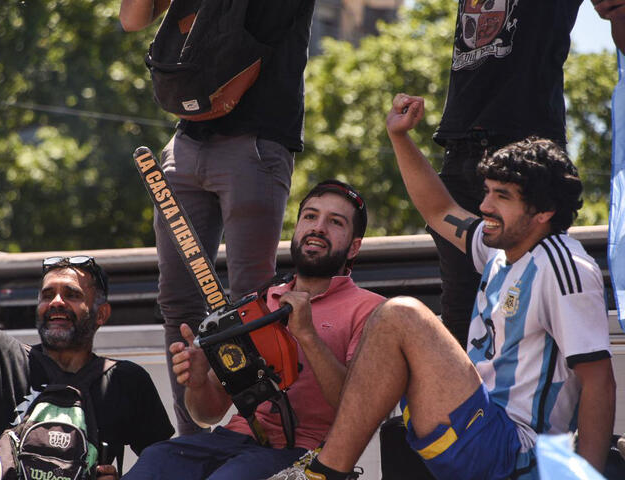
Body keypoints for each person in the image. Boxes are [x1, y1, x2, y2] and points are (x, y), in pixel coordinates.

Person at [272, 95, 616, 480]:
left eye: (501, 196)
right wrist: (399, 137)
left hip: (516, 450)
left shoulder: (565, 265)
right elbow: (438, 210)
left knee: (402, 314)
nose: (484, 206)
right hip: (477, 429)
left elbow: (599, 381)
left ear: (543, 212)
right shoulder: (500, 249)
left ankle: (324, 472)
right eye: (487, 191)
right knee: (394, 322)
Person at [119, 0, 316, 435]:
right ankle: (192, 438)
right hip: (189, 138)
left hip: (257, 139)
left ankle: (263, 430)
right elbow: (132, 19)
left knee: (252, 302)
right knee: (177, 301)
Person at [0, 167, 175, 480]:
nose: (56, 302)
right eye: (48, 295)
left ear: (101, 315)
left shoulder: (127, 382)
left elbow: (169, 465)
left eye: (71, 294)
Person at [120, 180, 385, 480]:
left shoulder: (372, 310)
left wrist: (308, 335)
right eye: (310, 216)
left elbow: (360, 412)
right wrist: (197, 384)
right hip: (230, 441)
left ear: (354, 247)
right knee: (157, 458)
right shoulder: (259, 301)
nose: (318, 227)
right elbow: (207, 413)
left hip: (303, 452)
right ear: (297, 229)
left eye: (335, 222)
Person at [429, 0, 625, 348]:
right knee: (458, 317)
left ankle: (527, 401)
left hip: (527, 151)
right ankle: (464, 402)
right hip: (461, 147)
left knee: (530, 298)